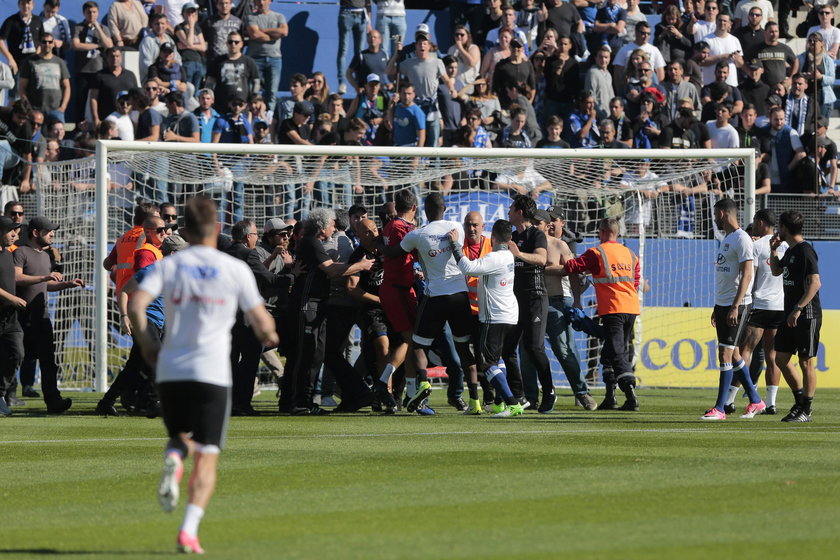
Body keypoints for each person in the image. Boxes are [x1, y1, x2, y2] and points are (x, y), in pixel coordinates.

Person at [128, 197, 276, 554]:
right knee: (208, 454)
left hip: (172, 368)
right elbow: (263, 324)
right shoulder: (233, 269)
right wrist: (269, 333)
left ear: (184, 230)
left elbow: (134, 302)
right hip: (212, 371)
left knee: (180, 436)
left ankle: (175, 458)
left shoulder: (171, 264)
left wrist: (148, 342)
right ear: (217, 229)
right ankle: (189, 530)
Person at [279, 208, 373, 415]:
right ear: (322, 227)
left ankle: (298, 401)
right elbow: (331, 270)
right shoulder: (311, 243)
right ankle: (299, 403)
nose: (334, 227)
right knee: (307, 354)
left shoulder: (313, 244)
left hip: (316, 305)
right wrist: (360, 265)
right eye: (331, 224)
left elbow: (331, 268)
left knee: (315, 353)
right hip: (307, 305)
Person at [395, 193, 477, 414]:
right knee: (463, 348)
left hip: (435, 296)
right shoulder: (457, 227)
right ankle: (476, 401)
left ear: (424, 209)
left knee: (419, 344)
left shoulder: (418, 234)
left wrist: (378, 243)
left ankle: (423, 383)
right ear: (445, 208)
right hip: (460, 295)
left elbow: (395, 253)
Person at [561, 217, 641, 411]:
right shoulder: (630, 254)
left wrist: (562, 258)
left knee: (617, 352)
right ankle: (610, 396)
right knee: (608, 352)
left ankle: (630, 394)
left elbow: (573, 267)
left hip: (613, 309)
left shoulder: (597, 252)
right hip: (631, 308)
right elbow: (636, 281)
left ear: (603, 232)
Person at [448, 219, 522, 418]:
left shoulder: (495, 257)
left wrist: (455, 244)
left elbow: (468, 268)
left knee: (487, 363)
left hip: (495, 317)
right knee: (497, 360)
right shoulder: (508, 256)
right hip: (509, 315)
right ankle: (498, 403)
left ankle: (512, 403)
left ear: (494, 237)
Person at [700, 198, 766, 420]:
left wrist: (735, 305)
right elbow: (726, 276)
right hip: (723, 304)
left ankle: (720, 408)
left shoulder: (742, 239)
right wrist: (717, 306)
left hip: (736, 305)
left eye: (714, 215)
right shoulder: (727, 239)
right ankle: (756, 401)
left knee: (725, 353)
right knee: (735, 354)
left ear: (721, 213)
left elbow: (748, 274)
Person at [14, 215, 84, 414]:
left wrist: (66, 284)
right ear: (35, 233)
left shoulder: (46, 256)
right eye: (48, 231)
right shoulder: (21, 252)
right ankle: (6, 397)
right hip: (21, 317)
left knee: (48, 361)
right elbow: (17, 278)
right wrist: (45, 277)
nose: (52, 234)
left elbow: (46, 284)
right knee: (15, 358)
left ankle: (53, 401)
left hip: (42, 317)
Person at [723, 209, 786, 415]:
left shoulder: (757, 246)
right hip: (780, 307)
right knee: (772, 356)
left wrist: (739, 303)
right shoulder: (785, 246)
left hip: (759, 305)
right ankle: (771, 403)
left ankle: (729, 400)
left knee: (743, 351)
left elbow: (750, 276)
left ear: (760, 223)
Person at [769, 211, 822, 422]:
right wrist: (773, 250)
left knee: (806, 362)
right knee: (780, 358)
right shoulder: (790, 251)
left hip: (806, 314)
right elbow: (776, 272)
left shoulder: (805, 250)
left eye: (779, 226)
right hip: (789, 312)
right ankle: (799, 402)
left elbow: (815, 283)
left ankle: (806, 409)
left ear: (783, 227)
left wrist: (798, 308)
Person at [503, 195, 555, 412]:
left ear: (520, 212)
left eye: (512, 208)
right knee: (506, 349)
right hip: (514, 300)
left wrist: (518, 254)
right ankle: (518, 395)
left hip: (535, 297)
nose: (508, 211)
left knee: (534, 347)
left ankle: (549, 390)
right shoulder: (512, 236)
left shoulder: (536, 234)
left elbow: (542, 260)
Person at [0, 216, 25, 416]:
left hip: (10, 317)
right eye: (11, 231)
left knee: (17, 353)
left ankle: (0, 394)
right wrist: (12, 298)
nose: (15, 234)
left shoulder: (8, 253)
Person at [245, 0, 287, 115]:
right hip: (255, 59)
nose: (261, 3)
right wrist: (274, 36)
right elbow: (255, 35)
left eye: (264, 0)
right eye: (258, 0)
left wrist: (263, 31)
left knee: (272, 92)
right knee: (253, 91)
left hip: (275, 59)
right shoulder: (251, 17)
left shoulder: (279, 17)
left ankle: (269, 117)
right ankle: (252, 116)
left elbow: (284, 32)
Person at [205, 30, 259, 113]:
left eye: (236, 42)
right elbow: (209, 82)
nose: (233, 44)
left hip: (241, 107)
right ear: (226, 44)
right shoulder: (217, 61)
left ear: (241, 44)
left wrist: (253, 97)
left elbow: (256, 81)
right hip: (220, 106)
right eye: (230, 42)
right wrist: (209, 99)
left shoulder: (248, 62)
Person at [89, 47, 138, 128]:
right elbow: (93, 98)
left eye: (117, 56)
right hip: (106, 120)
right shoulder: (99, 75)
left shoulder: (130, 75)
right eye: (112, 56)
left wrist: (135, 119)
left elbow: (135, 97)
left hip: (127, 119)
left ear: (121, 57)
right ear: (107, 58)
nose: (115, 59)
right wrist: (95, 119)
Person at [0, 0, 44, 80]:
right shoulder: (11, 21)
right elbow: (0, 40)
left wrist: (38, 56)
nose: (26, 6)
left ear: (33, 5)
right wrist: (10, 58)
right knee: (16, 91)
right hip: (17, 65)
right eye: (23, 3)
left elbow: (41, 40)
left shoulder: (38, 21)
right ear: (19, 5)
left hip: (34, 65)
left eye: (28, 3)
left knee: (33, 91)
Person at [337, 0, 370, 95]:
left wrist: (369, 21)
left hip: (362, 14)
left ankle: (360, 81)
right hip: (346, 12)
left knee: (360, 52)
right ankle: (341, 82)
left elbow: (368, 3)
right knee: (343, 49)